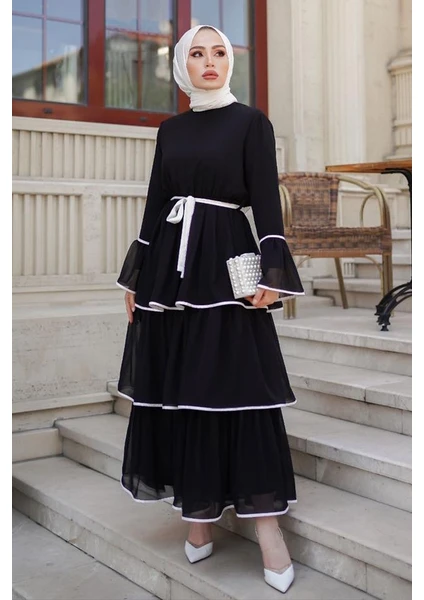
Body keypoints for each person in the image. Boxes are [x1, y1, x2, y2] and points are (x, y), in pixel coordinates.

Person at [116, 24, 305, 595]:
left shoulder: (250, 122)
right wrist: (136, 275)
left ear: (230, 61)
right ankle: (197, 513)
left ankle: (268, 529)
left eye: (219, 52)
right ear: (182, 66)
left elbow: (266, 199)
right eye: (196, 54)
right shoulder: (170, 130)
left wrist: (272, 268)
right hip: (171, 268)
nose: (209, 61)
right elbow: (156, 204)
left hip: (225, 259)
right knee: (183, 387)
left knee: (239, 384)